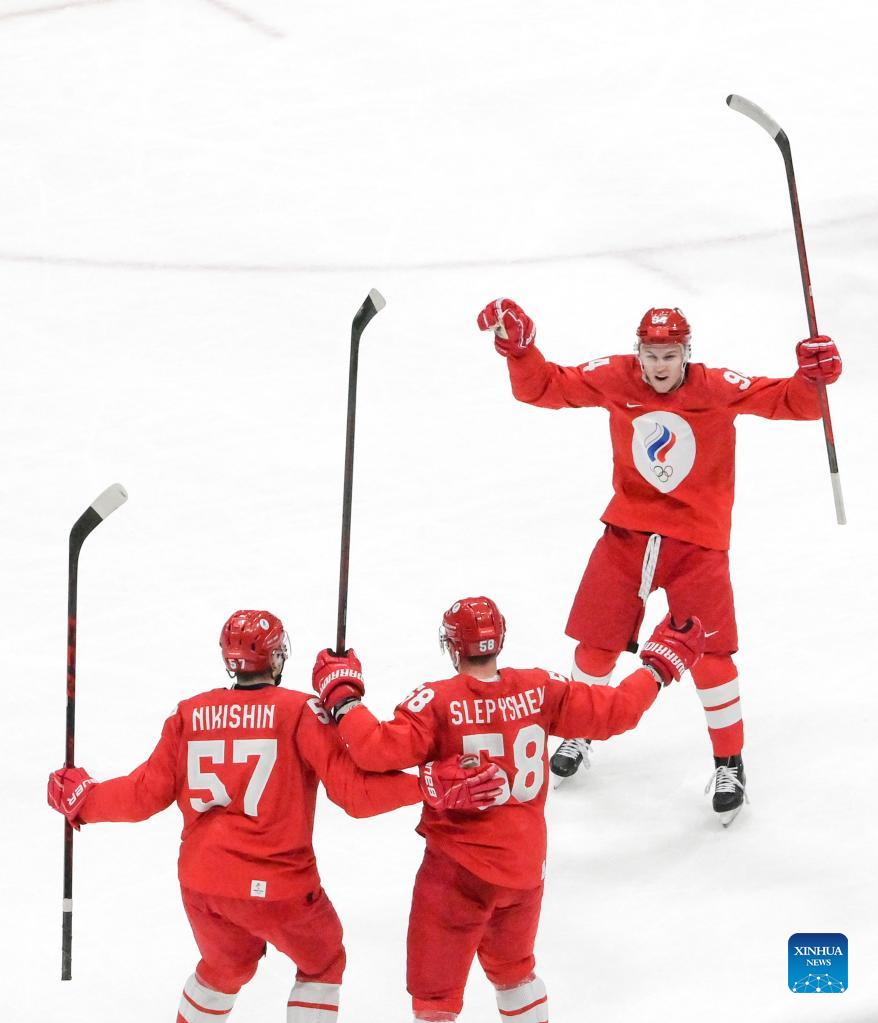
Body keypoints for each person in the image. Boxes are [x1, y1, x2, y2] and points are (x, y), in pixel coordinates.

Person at [476, 298, 843, 823]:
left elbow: (794, 403)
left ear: (686, 353)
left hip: (697, 544)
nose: (659, 366)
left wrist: (812, 377)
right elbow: (544, 387)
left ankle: (730, 763)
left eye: (670, 355)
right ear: (638, 353)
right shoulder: (615, 376)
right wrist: (520, 351)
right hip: (627, 534)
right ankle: (580, 731)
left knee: (711, 657)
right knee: (595, 646)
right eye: (651, 355)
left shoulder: (716, 387)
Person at [47, 609, 498, 1023]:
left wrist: (84, 799)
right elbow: (355, 794)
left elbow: (143, 794)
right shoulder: (300, 710)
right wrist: (425, 785)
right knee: (323, 961)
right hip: (281, 888)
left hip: (204, 887)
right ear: (278, 656)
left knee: (226, 966)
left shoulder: (189, 713)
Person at [310, 595, 705, 1022]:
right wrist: (657, 667)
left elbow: (374, 750)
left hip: (457, 873)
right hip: (524, 871)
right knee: (516, 974)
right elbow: (617, 712)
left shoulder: (437, 702)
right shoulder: (540, 688)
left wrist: (343, 697)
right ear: (499, 639)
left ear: (452, 646)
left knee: (435, 999)